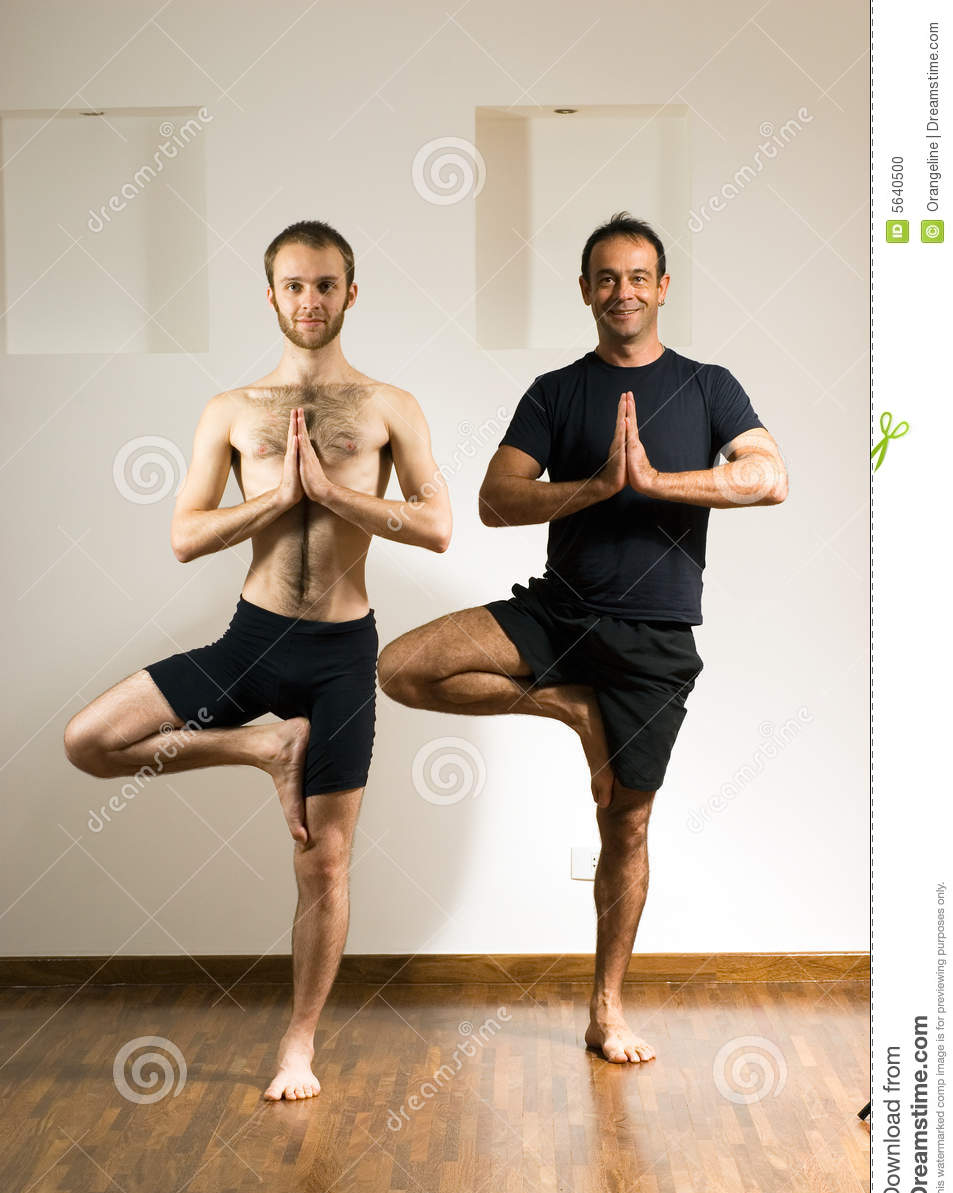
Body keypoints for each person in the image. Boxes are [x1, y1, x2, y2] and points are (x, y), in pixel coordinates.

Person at [377, 212, 788, 1064]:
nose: (623, 292)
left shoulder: (709, 386)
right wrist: (594, 486)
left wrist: (657, 482)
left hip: (656, 639)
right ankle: (569, 708)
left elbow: (769, 476)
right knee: (402, 667)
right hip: (558, 614)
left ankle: (606, 1011)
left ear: (663, 287)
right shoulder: (557, 392)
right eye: (606, 278)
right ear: (585, 291)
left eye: (638, 277)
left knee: (625, 827)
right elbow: (495, 500)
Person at [64, 220, 452, 1101]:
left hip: (341, 656)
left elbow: (436, 525)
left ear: (351, 294)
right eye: (293, 286)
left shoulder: (392, 406)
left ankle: (298, 1048)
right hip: (250, 642)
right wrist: (275, 499)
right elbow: (184, 537)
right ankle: (262, 748)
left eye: (325, 286)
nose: (309, 302)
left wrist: (336, 494)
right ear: (270, 295)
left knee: (323, 863)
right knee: (92, 741)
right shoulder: (230, 411)